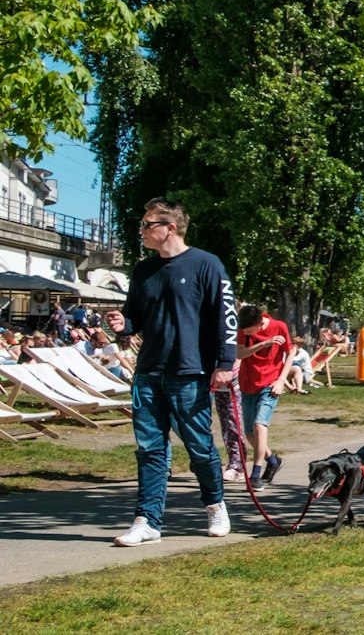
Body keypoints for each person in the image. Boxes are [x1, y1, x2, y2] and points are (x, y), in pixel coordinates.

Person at [102, 199, 237, 546]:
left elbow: (227, 318)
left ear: (170, 228)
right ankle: (147, 520)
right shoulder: (143, 271)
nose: (142, 231)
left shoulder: (206, 265)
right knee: (149, 449)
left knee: (199, 447)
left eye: (148, 225)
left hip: (189, 371)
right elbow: (135, 319)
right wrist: (122, 323)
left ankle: (215, 505)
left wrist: (224, 364)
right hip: (149, 371)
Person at [234, 303, 291, 488]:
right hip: (248, 384)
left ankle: (256, 473)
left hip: (270, 384)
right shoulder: (244, 329)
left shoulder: (279, 327)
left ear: (260, 324)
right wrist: (263, 343)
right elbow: (240, 353)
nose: (247, 333)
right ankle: (273, 461)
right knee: (250, 434)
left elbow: (290, 353)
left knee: (260, 426)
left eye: (250, 331)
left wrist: (281, 380)